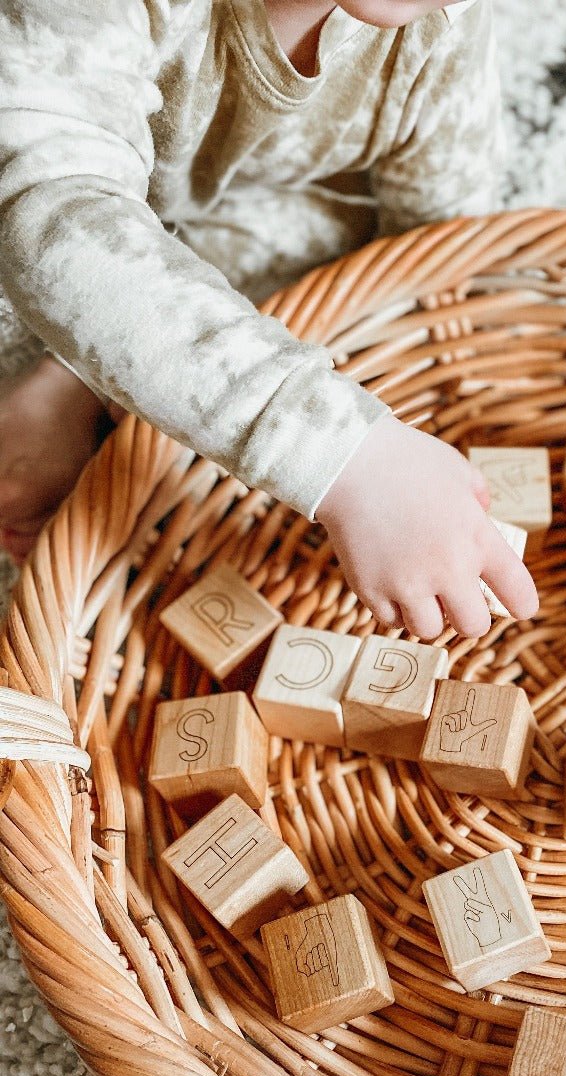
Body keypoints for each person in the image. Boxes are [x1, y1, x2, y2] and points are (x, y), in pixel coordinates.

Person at [0, 0, 538, 639]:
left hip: (243, 219)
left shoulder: (441, 26)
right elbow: (47, 210)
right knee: (59, 274)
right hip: (54, 183)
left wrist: (411, 439)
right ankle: (84, 366)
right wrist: (340, 454)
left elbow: (438, 240)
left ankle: (91, 370)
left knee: (350, 252)